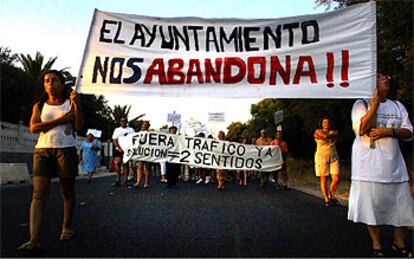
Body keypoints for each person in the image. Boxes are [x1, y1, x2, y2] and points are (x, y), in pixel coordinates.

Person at [348, 73, 414, 257]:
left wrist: (389, 131)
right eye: (380, 76)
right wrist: (374, 104)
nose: (386, 79)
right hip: (368, 167)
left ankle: (398, 242)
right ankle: (377, 244)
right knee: (371, 207)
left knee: (403, 206)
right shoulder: (361, 103)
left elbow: (409, 132)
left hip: (394, 167)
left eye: (387, 77)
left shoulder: (397, 106)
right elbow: (361, 129)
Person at [17, 70, 83, 252]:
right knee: (38, 194)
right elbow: (34, 127)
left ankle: (67, 227)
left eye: (54, 80)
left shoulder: (71, 103)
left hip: (66, 150)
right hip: (43, 151)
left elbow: (78, 126)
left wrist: (77, 106)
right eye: (47, 81)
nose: (50, 84)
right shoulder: (39, 105)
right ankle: (33, 239)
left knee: (67, 191)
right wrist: (61, 120)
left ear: (62, 84)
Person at [313, 117, 340, 207]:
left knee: (336, 178)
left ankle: (331, 195)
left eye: (328, 122)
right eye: (324, 122)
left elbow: (327, 136)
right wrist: (328, 136)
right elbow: (323, 136)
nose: (326, 124)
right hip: (321, 157)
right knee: (324, 178)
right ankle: (326, 198)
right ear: (322, 124)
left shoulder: (334, 131)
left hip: (333, 156)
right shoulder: (317, 131)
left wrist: (326, 136)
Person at [112, 117, 135, 186]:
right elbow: (114, 139)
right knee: (117, 163)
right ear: (120, 122)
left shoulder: (131, 130)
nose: (123, 122)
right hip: (118, 149)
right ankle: (118, 179)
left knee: (126, 164)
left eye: (124, 121)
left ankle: (125, 179)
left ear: (127, 122)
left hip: (127, 149)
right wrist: (119, 148)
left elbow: (134, 139)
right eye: (122, 121)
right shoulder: (117, 130)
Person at [134, 121, 151, 188]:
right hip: (140, 152)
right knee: (139, 166)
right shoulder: (138, 133)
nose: (144, 126)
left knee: (146, 167)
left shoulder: (150, 133)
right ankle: (138, 182)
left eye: (146, 125)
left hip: (147, 152)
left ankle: (146, 183)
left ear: (148, 126)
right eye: (143, 124)